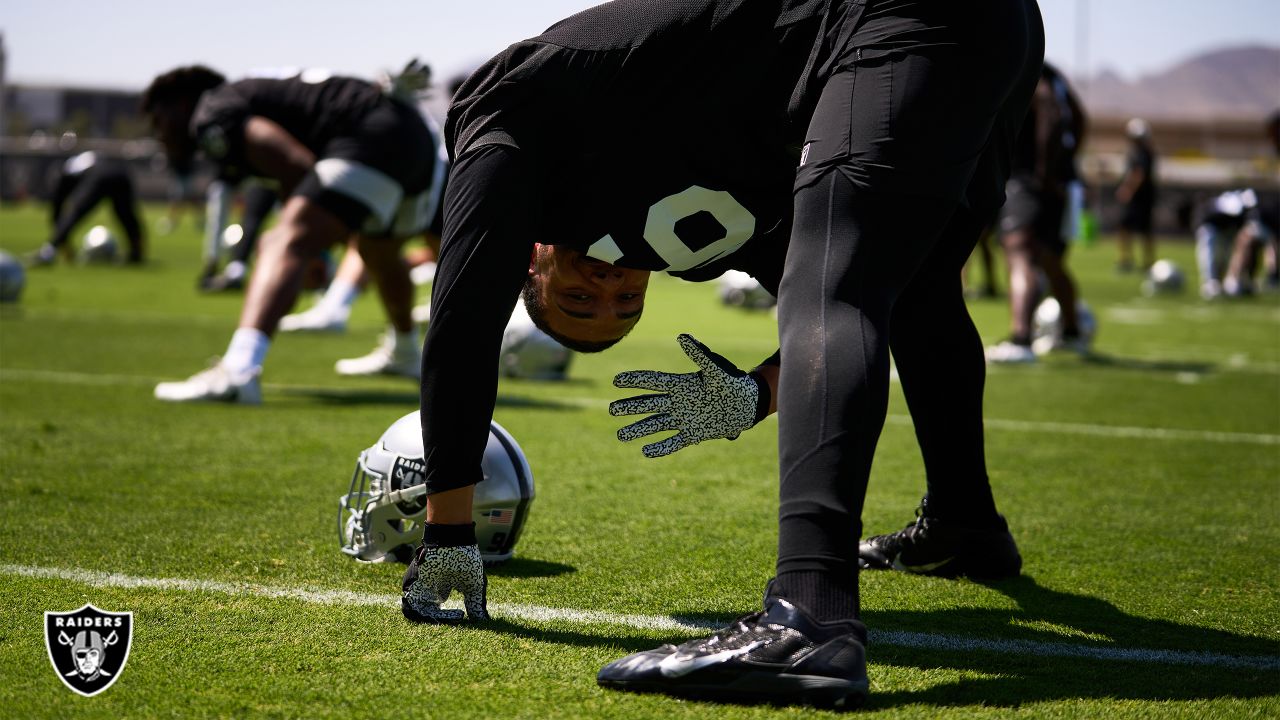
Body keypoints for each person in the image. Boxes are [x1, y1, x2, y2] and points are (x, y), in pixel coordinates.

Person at [398, 0, 1042, 710]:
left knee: (846, 284)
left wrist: (449, 528)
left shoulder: (507, 118)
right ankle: (966, 525)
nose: (606, 291)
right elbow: (866, 309)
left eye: (578, 301)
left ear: (533, 261)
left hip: (891, 19)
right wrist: (753, 395)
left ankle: (810, 615)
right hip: (987, 30)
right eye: (619, 308)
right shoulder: (700, 243)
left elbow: (463, 320)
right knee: (916, 290)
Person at [143, 65, 441, 403]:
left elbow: (295, 163)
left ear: (181, 104)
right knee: (380, 253)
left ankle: (238, 371)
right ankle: (405, 352)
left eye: (158, 118)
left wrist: (311, 248)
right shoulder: (255, 91)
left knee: (282, 239)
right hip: (414, 137)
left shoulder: (212, 109)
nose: (159, 132)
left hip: (369, 132)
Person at [986, 62, 1090, 363]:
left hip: (1032, 180)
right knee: (1052, 260)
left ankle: (1021, 339)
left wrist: (1044, 172)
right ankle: (1071, 333)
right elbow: (1081, 118)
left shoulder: (1035, 73)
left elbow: (1051, 115)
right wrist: (1067, 164)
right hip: (1064, 182)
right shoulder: (1056, 76)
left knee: (1019, 251)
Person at [28, 151, 146, 265]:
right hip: (121, 173)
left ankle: (48, 252)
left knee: (76, 212)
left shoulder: (66, 175)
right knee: (126, 215)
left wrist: (62, 244)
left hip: (100, 174)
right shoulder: (82, 161)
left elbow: (57, 213)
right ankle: (137, 253)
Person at [1115, 117, 1158, 272]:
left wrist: (1128, 190)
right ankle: (1137, 261)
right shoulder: (1144, 151)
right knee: (1139, 229)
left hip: (1140, 198)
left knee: (1137, 229)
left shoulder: (1142, 153)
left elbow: (1138, 174)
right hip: (1144, 197)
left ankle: (1133, 261)